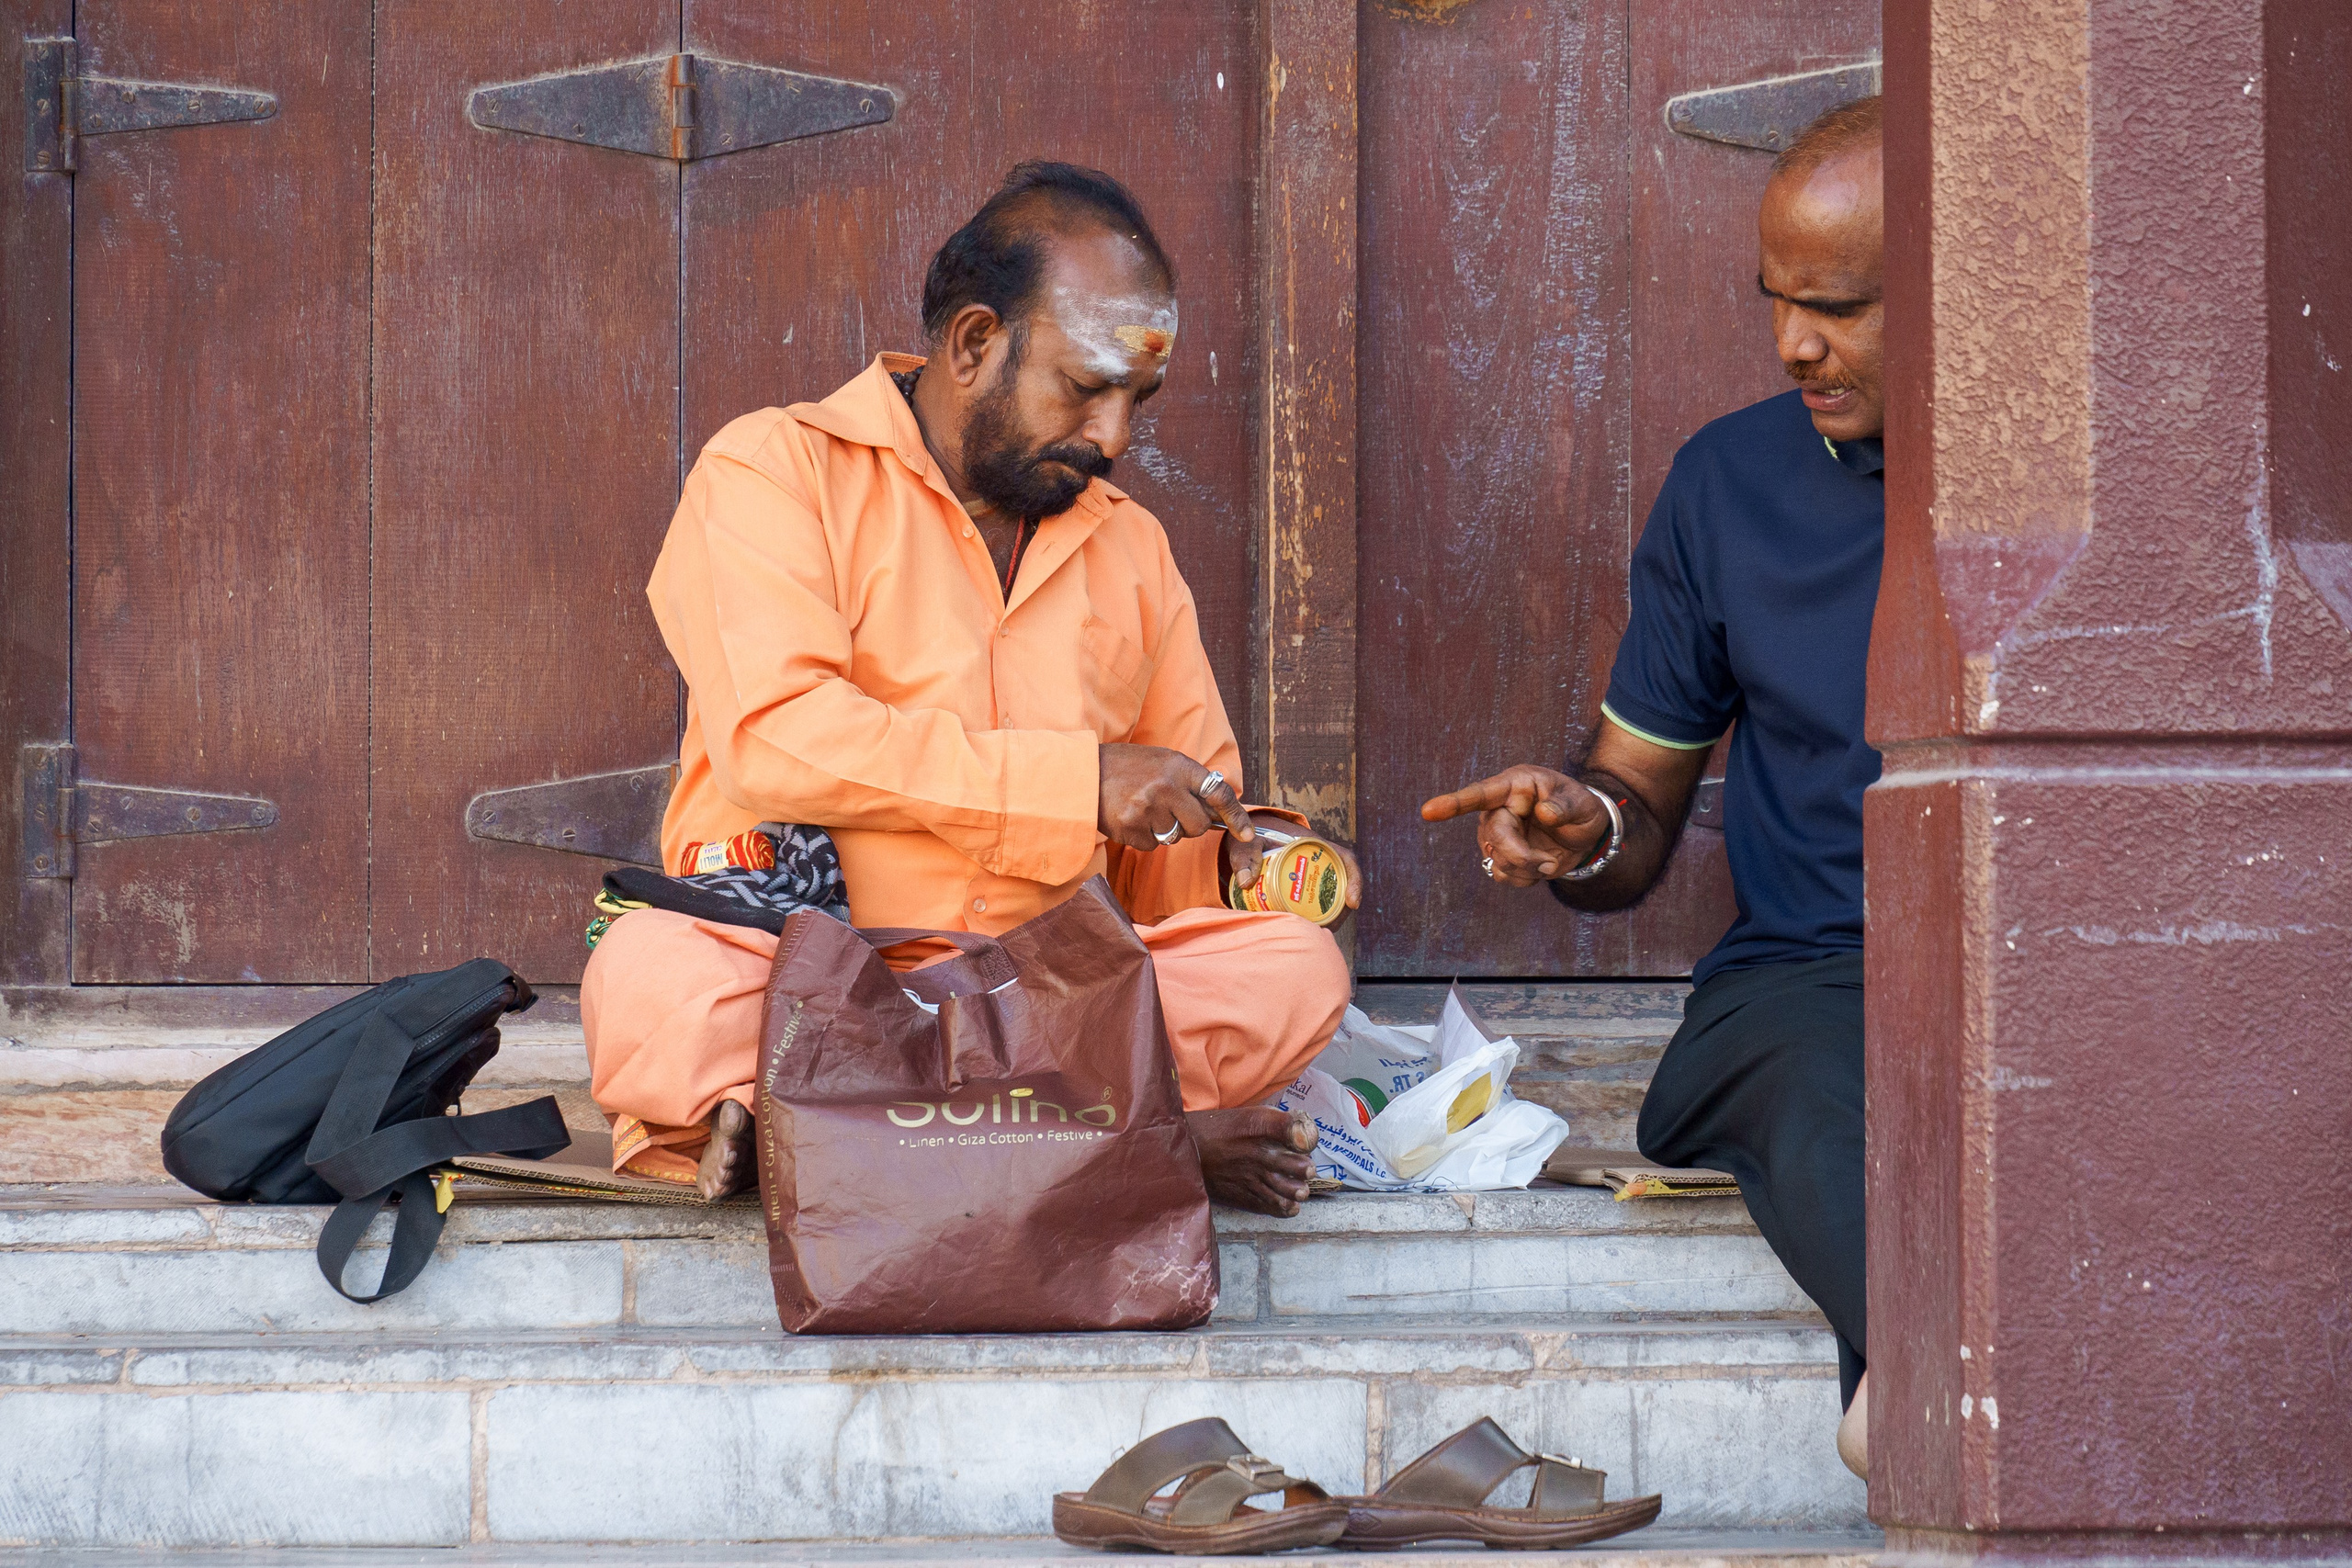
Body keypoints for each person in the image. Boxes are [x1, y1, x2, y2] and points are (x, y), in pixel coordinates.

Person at [582, 163, 1359, 1218]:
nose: (1115, 437)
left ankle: (841, 1134)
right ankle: (1112, 1137)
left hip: (1041, 996)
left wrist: (1257, 861)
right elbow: (777, 737)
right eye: (1085, 389)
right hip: (810, 977)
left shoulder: (1130, 546)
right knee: (653, 974)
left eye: (1138, 400)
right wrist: (1070, 785)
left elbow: (1172, 856)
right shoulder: (773, 470)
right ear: (973, 344)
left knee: (1291, 971)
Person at [1419, 98, 1885, 1478]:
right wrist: (1581, 827)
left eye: (1840, 307)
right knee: (1806, 1081)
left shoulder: (2120, 470)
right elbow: (1637, 801)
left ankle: (1925, 1418)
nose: (1793, 343)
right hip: (1815, 976)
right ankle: (1933, 1388)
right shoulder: (1728, 481)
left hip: (2059, 973)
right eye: (1778, 301)